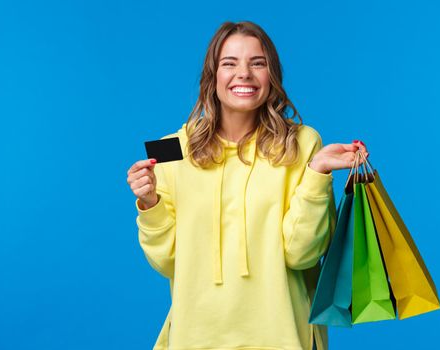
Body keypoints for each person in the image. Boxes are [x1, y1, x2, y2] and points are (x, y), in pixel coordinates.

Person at [126, 21, 369, 350]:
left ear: (272, 75)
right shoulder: (171, 148)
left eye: (258, 63)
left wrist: (317, 172)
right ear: (212, 76)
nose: (244, 74)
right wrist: (149, 202)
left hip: (282, 338)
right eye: (229, 63)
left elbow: (302, 255)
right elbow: (167, 262)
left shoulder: (302, 143)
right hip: (194, 339)